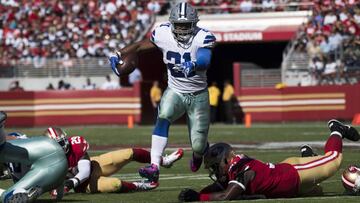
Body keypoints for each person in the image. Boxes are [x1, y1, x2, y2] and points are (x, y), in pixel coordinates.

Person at [108, 2, 216, 183]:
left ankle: (198, 154)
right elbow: (141, 46)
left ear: (194, 23)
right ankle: (154, 166)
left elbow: (205, 59)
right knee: (163, 116)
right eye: (178, 25)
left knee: (198, 145)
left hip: (198, 95)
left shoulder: (203, 37)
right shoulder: (162, 33)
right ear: (172, 23)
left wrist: (195, 64)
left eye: (186, 25)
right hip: (175, 89)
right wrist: (118, 53)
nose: (182, 29)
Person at [178, 119, 360, 201]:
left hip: (294, 175)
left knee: (334, 160)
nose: (215, 173)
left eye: (215, 167)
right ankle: (309, 157)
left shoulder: (242, 171)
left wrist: (199, 197)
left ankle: (337, 129)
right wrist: (195, 193)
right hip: (288, 178)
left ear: (226, 161)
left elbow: (226, 195)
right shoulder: (233, 167)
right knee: (317, 192)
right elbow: (218, 188)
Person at [44, 127, 183, 195]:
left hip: (94, 165)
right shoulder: (46, 160)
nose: (64, 145)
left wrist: (70, 182)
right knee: (115, 184)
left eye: (63, 141)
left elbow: (85, 171)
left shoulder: (76, 145)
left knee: (129, 153)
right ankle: (139, 186)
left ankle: (163, 161)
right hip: (85, 185)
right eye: (58, 144)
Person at [0, 112, 68, 202]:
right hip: (45, 170)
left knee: (8, 196)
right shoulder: (26, 142)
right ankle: (26, 193)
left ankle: (22, 193)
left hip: (38, 169)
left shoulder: (18, 141)